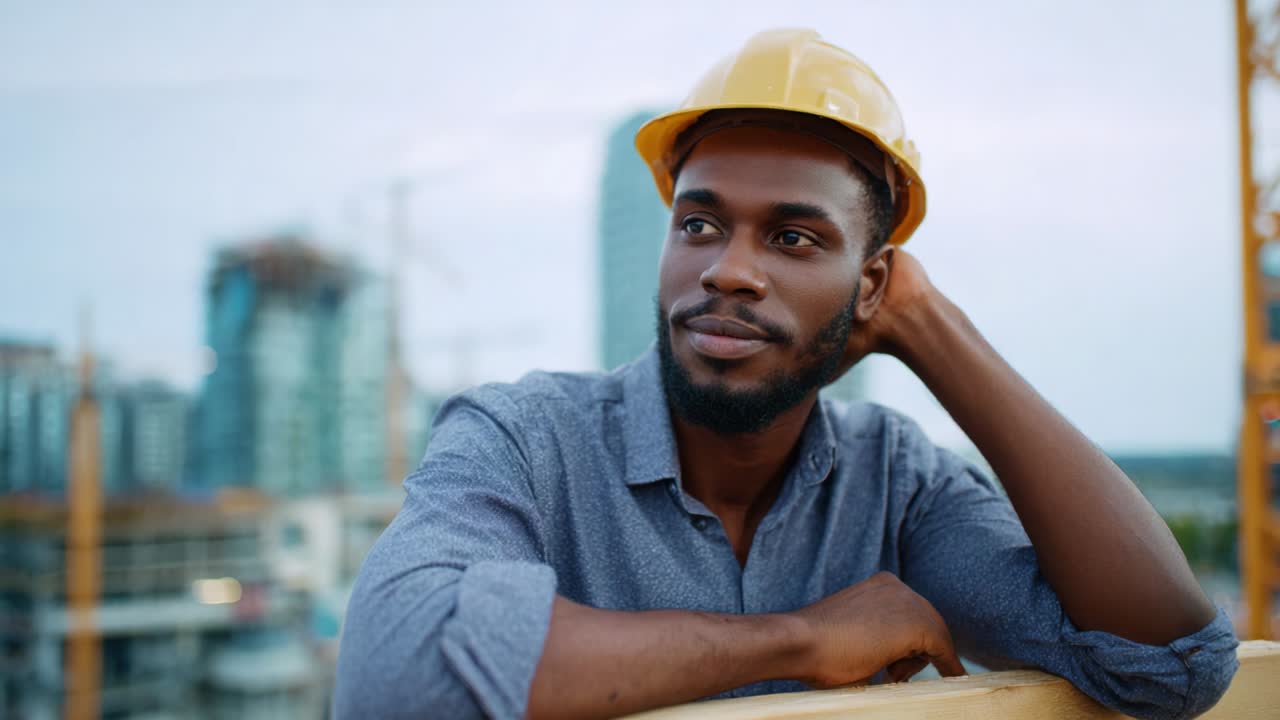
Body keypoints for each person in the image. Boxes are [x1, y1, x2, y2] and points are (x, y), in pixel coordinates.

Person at [332, 28, 1238, 720]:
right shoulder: (523, 439)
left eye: (794, 237)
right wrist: (805, 638)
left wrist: (931, 327)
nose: (727, 268)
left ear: (872, 282)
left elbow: (1168, 665)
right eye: (699, 225)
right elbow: (394, 673)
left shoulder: (897, 481)